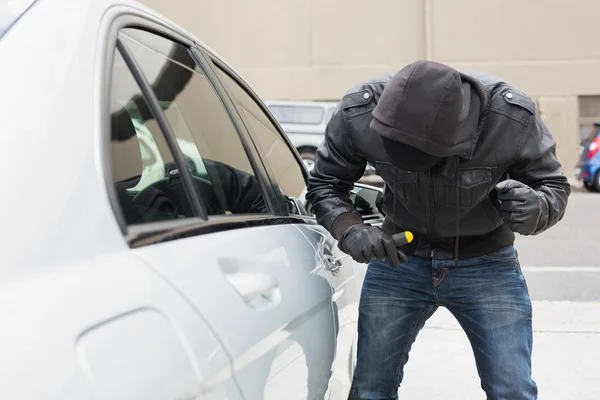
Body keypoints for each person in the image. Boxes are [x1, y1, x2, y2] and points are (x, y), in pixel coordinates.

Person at [306, 61, 570, 400]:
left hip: (486, 263)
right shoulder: (359, 112)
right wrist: (351, 230)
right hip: (399, 259)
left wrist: (540, 208)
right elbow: (326, 183)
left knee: (513, 390)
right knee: (371, 389)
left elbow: (553, 185)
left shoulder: (511, 117)